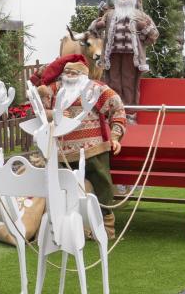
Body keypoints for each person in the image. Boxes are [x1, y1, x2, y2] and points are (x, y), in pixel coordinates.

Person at [35, 56, 125, 236]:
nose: (68, 76)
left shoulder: (97, 89)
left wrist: (115, 136)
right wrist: (54, 113)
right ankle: (69, 226)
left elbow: (117, 109)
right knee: (63, 188)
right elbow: (38, 111)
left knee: (102, 186)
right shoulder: (53, 89)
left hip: (93, 150)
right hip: (61, 152)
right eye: (66, 72)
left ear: (83, 74)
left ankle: (106, 226)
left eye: (73, 73)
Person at [88, 0, 158, 106]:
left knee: (129, 83)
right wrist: (97, 26)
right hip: (112, 55)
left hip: (132, 56)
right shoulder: (109, 14)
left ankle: (130, 113)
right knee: (112, 83)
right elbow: (93, 30)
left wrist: (144, 28)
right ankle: (114, 111)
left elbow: (154, 35)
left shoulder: (141, 15)